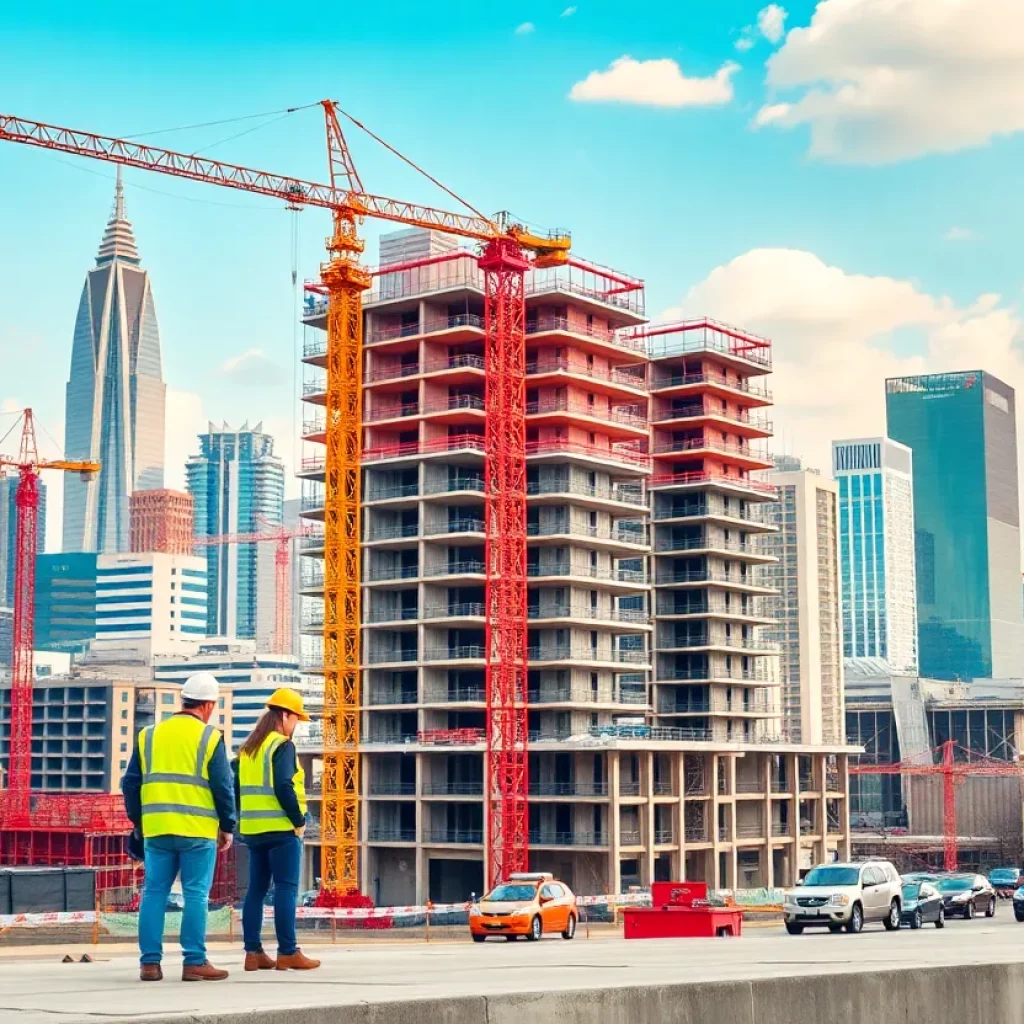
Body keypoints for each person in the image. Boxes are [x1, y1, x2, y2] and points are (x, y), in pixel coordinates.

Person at [121, 672, 235, 982]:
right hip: (197, 832)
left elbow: (130, 784)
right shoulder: (210, 737)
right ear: (208, 705)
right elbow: (224, 787)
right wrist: (227, 826)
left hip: (157, 830)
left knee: (154, 893)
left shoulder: (148, 735)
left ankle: (149, 964)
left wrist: (139, 823)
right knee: (196, 895)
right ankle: (194, 961)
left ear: (183, 700)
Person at [235, 688, 320, 972]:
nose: (295, 726)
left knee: (256, 891)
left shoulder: (248, 750)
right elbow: (284, 785)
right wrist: (298, 820)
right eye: (295, 719)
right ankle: (287, 951)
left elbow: (235, 788)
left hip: (253, 830)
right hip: (282, 830)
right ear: (284, 715)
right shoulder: (282, 746)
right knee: (286, 888)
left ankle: (253, 952)